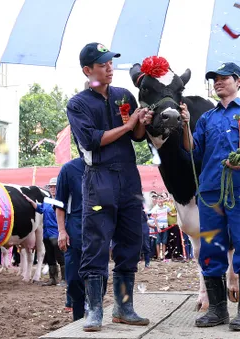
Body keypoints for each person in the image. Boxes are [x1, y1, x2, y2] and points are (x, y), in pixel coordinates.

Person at [65, 42, 153, 332]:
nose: (109, 68)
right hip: (99, 177)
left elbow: (138, 137)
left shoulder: (123, 96)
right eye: (103, 64)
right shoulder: (78, 104)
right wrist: (128, 128)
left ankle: (124, 306)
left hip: (128, 176)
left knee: (131, 241)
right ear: (87, 70)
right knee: (96, 243)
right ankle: (93, 310)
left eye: (111, 62)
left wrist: (141, 121)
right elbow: (91, 140)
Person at [181, 62, 240, 331]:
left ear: (239, 81)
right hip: (210, 190)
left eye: (224, 78)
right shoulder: (207, 118)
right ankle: (218, 310)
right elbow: (193, 151)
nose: (218, 82)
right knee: (210, 247)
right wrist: (186, 125)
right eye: (215, 79)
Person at [55, 157, 85, 321]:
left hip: (99, 228)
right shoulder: (69, 169)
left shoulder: (106, 164)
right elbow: (60, 203)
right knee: (73, 278)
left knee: (99, 276)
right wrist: (61, 230)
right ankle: (78, 316)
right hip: (74, 227)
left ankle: (93, 310)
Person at [23, 177, 65, 286]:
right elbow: (40, 208)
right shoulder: (47, 200)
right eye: (51, 187)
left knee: (61, 257)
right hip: (46, 234)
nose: (53, 189)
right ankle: (53, 279)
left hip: (57, 233)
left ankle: (65, 279)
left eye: (55, 187)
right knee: (50, 257)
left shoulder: (62, 201)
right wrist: (30, 201)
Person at [150, 196, 171, 261]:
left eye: (161, 199)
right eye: (159, 199)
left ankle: (164, 255)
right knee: (158, 241)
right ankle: (159, 255)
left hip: (165, 226)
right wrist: (158, 227)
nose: (160, 200)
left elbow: (170, 214)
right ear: (157, 200)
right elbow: (155, 219)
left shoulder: (166, 207)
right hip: (158, 226)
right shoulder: (155, 208)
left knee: (164, 241)